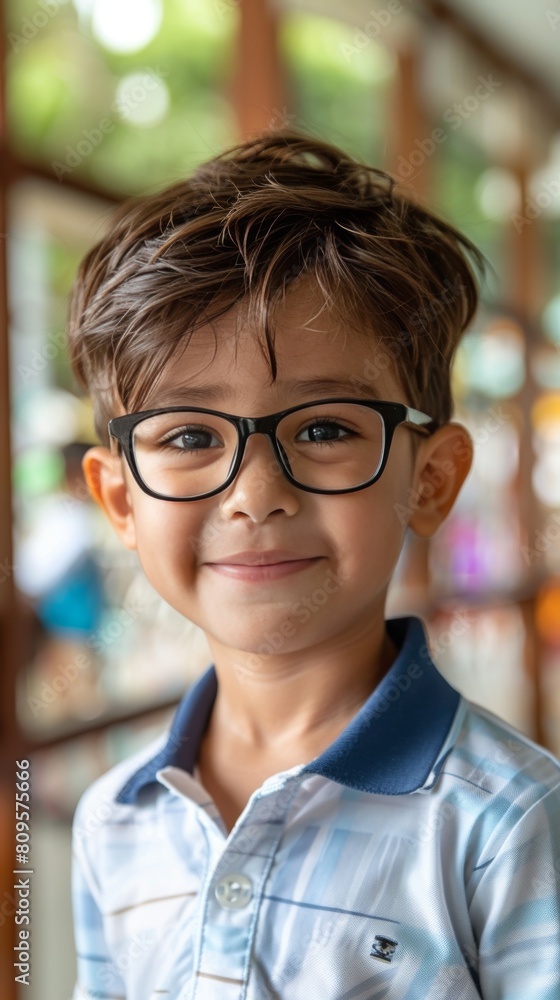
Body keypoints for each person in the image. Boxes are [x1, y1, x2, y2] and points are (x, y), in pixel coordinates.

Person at [67, 129, 560, 1000]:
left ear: (432, 478)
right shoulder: (115, 818)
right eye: (187, 436)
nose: (255, 494)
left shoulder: (514, 824)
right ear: (120, 503)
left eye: (325, 428)